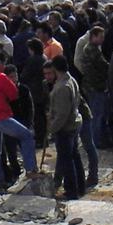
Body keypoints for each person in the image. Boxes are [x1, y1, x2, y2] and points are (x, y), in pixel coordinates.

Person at [0, 48, 37, 194]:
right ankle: (31, 169)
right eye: (3, 63)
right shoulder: (1, 76)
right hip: (0, 116)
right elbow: (14, 94)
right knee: (26, 135)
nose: (4, 66)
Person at [44, 56, 84, 200]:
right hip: (74, 123)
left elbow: (62, 114)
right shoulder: (71, 80)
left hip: (65, 127)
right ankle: (80, 186)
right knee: (74, 156)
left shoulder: (62, 86)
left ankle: (71, 191)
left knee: (67, 160)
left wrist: (52, 128)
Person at [73, 26, 109, 149]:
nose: (103, 39)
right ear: (93, 36)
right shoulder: (92, 50)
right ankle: (95, 141)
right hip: (95, 86)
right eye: (101, 37)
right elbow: (103, 66)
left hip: (92, 85)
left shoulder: (93, 48)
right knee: (96, 115)